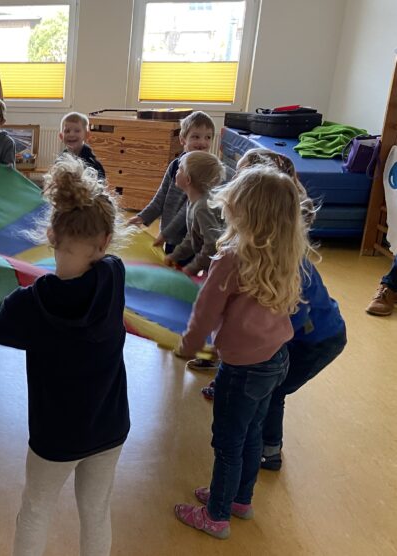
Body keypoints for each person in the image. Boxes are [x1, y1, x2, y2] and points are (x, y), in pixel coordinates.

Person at [0, 154, 129, 556]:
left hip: (56, 435)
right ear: (105, 241)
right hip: (109, 427)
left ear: (51, 236)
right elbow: (100, 269)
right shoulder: (114, 276)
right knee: (97, 511)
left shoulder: (31, 304)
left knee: (36, 509)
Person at [173, 165, 313, 540]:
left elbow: (205, 312)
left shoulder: (231, 258)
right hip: (276, 359)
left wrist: (188, 344)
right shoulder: (288, 254)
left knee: (227, 443)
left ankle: (217, 515)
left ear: (243, 212)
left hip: (242, 367)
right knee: (251, 432)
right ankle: (239, 499)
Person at [195, 149, 346, 472]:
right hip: (301, 333)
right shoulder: (265, 249)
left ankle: (270, 450)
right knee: (261, 378)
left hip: (316, 339)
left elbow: (286, 320)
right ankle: (240, 390)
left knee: (273, 390)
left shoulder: (288, 262)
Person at [128, 111, 216, 251]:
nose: (202, 142)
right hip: (171, 237)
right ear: (182, 140)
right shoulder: (175, 165)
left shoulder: (207, 171)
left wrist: (166, 233)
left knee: (185, 270)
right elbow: (161, 197)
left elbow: (188, 209)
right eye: (196, 137)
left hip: (193, 240)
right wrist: (142, 217)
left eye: (208, 137)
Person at [165, 151, 226, 276]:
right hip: (214, 260)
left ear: (188, 179)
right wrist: (176, 255)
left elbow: (212, 245)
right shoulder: (194, 201)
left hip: (222, 263)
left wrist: (193, 267)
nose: (176, 171)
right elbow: (193, 235)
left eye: (180, 169)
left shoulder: (202, 207)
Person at [59, 112, 105, 180]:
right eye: (67, 131)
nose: (71, 134)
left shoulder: (93, 164)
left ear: (87, 135)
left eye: (77, 131)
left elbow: (100, 186)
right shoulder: (60, 160)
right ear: (61, 136)